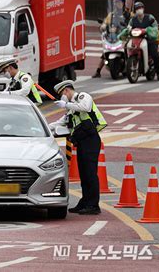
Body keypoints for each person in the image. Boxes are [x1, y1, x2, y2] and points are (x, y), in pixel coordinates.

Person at [49, 80, 107, 215]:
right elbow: (60, 122)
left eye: (62, 94)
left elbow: (86, 107)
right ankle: (85, 202)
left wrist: (67, 104)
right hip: (81, 141)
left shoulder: (82, 97)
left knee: (90, 173)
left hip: (91, 140)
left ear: (66, 91)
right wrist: (43, 127)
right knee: (84, 174)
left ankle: (93, 205)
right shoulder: (71, 109)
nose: (62, 98)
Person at [93, 0, 131, 78]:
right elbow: (105, 22)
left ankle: (130, 66)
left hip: (125, 36)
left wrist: (129, 27)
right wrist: (103, 25)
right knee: (105, 52)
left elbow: (132, 22)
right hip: (114, 36)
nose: (118, 4)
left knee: (129, 49)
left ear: (124, 3)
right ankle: (98, 71)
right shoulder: (112, 14)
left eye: (120, 2)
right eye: (117, 3)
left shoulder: (128, 14)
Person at [127, 1, 159, 81]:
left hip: (150, 39)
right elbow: (128, 27)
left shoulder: (150, 17)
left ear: (143, 9)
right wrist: (128, 30)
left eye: (140, 8)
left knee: (154, 54)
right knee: (127, 47)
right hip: (137, 39)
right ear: (135, 10)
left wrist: (149, 30)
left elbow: (155, 27)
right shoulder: (133, 20)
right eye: (137, 8)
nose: (139, 10)